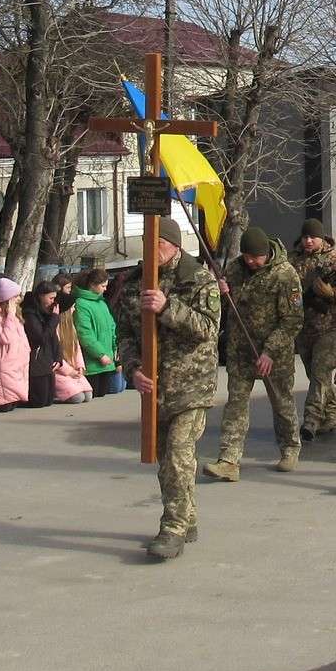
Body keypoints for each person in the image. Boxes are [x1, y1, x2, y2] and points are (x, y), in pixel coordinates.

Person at [117, 216, 221, 561]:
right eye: (146, 244)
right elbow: (127, 336)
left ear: (174, 246)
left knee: (178, 454)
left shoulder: (199, 280)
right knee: (168, 460)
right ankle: (186, 516)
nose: (150, 251)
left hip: (192, 386)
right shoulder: (134, 284)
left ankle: (172, 527)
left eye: (157, 244)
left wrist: (167, 307)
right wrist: (133, 369)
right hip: (155, 389)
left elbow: (208, 328)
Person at [203, 226, 304, 479]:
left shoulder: (285, 275)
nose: (250, 261)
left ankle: (290, 447)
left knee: (282, 403)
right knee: (235, 405)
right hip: (240, 350)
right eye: (246, 256)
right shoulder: (236, 269)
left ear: (266, 253)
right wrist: (222, 292)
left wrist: (270, 351)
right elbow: (223, 309)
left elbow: (292, 320)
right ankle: (229, 459)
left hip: (274, 354)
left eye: (255, 257)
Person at [293, 220, 336, 442]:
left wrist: (332, 293)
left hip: (330, 328)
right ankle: (331, 415)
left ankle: (310, 420)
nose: (308, 241)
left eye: (313, 237)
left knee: (320, 373)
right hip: (303, 327)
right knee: (316, 375)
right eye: (305, 237)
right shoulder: (293, 260)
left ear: (322, 237)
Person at [0, 278, 30, 411]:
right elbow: (4, 338)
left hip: (16, 361)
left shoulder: (15, 315)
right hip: (2, 361)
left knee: (14, 401)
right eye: (16, 296)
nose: (19, 299)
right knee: (4, 404)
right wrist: (11, 316)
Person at [72, 269, 120, 396]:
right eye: (103, 286)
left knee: (107, 392)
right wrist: (100, 354)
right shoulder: (81, 304)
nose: (105, 289)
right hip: (94, 362)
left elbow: (112, 327)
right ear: (92, 285)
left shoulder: (102, 303)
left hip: (108, 358)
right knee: (97, 393)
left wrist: (116, 350)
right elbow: (85, 334)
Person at [22, 281, 60, 407]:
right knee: (39, 402)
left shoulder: (48, 312)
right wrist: (54, 319)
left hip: (47, 360)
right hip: (36, 362)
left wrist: (58, 358)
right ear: (40, 296)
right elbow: (41, 338)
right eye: (50, 298)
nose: (53, 302)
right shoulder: (30, 314)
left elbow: (54, 338)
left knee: (48, 401)